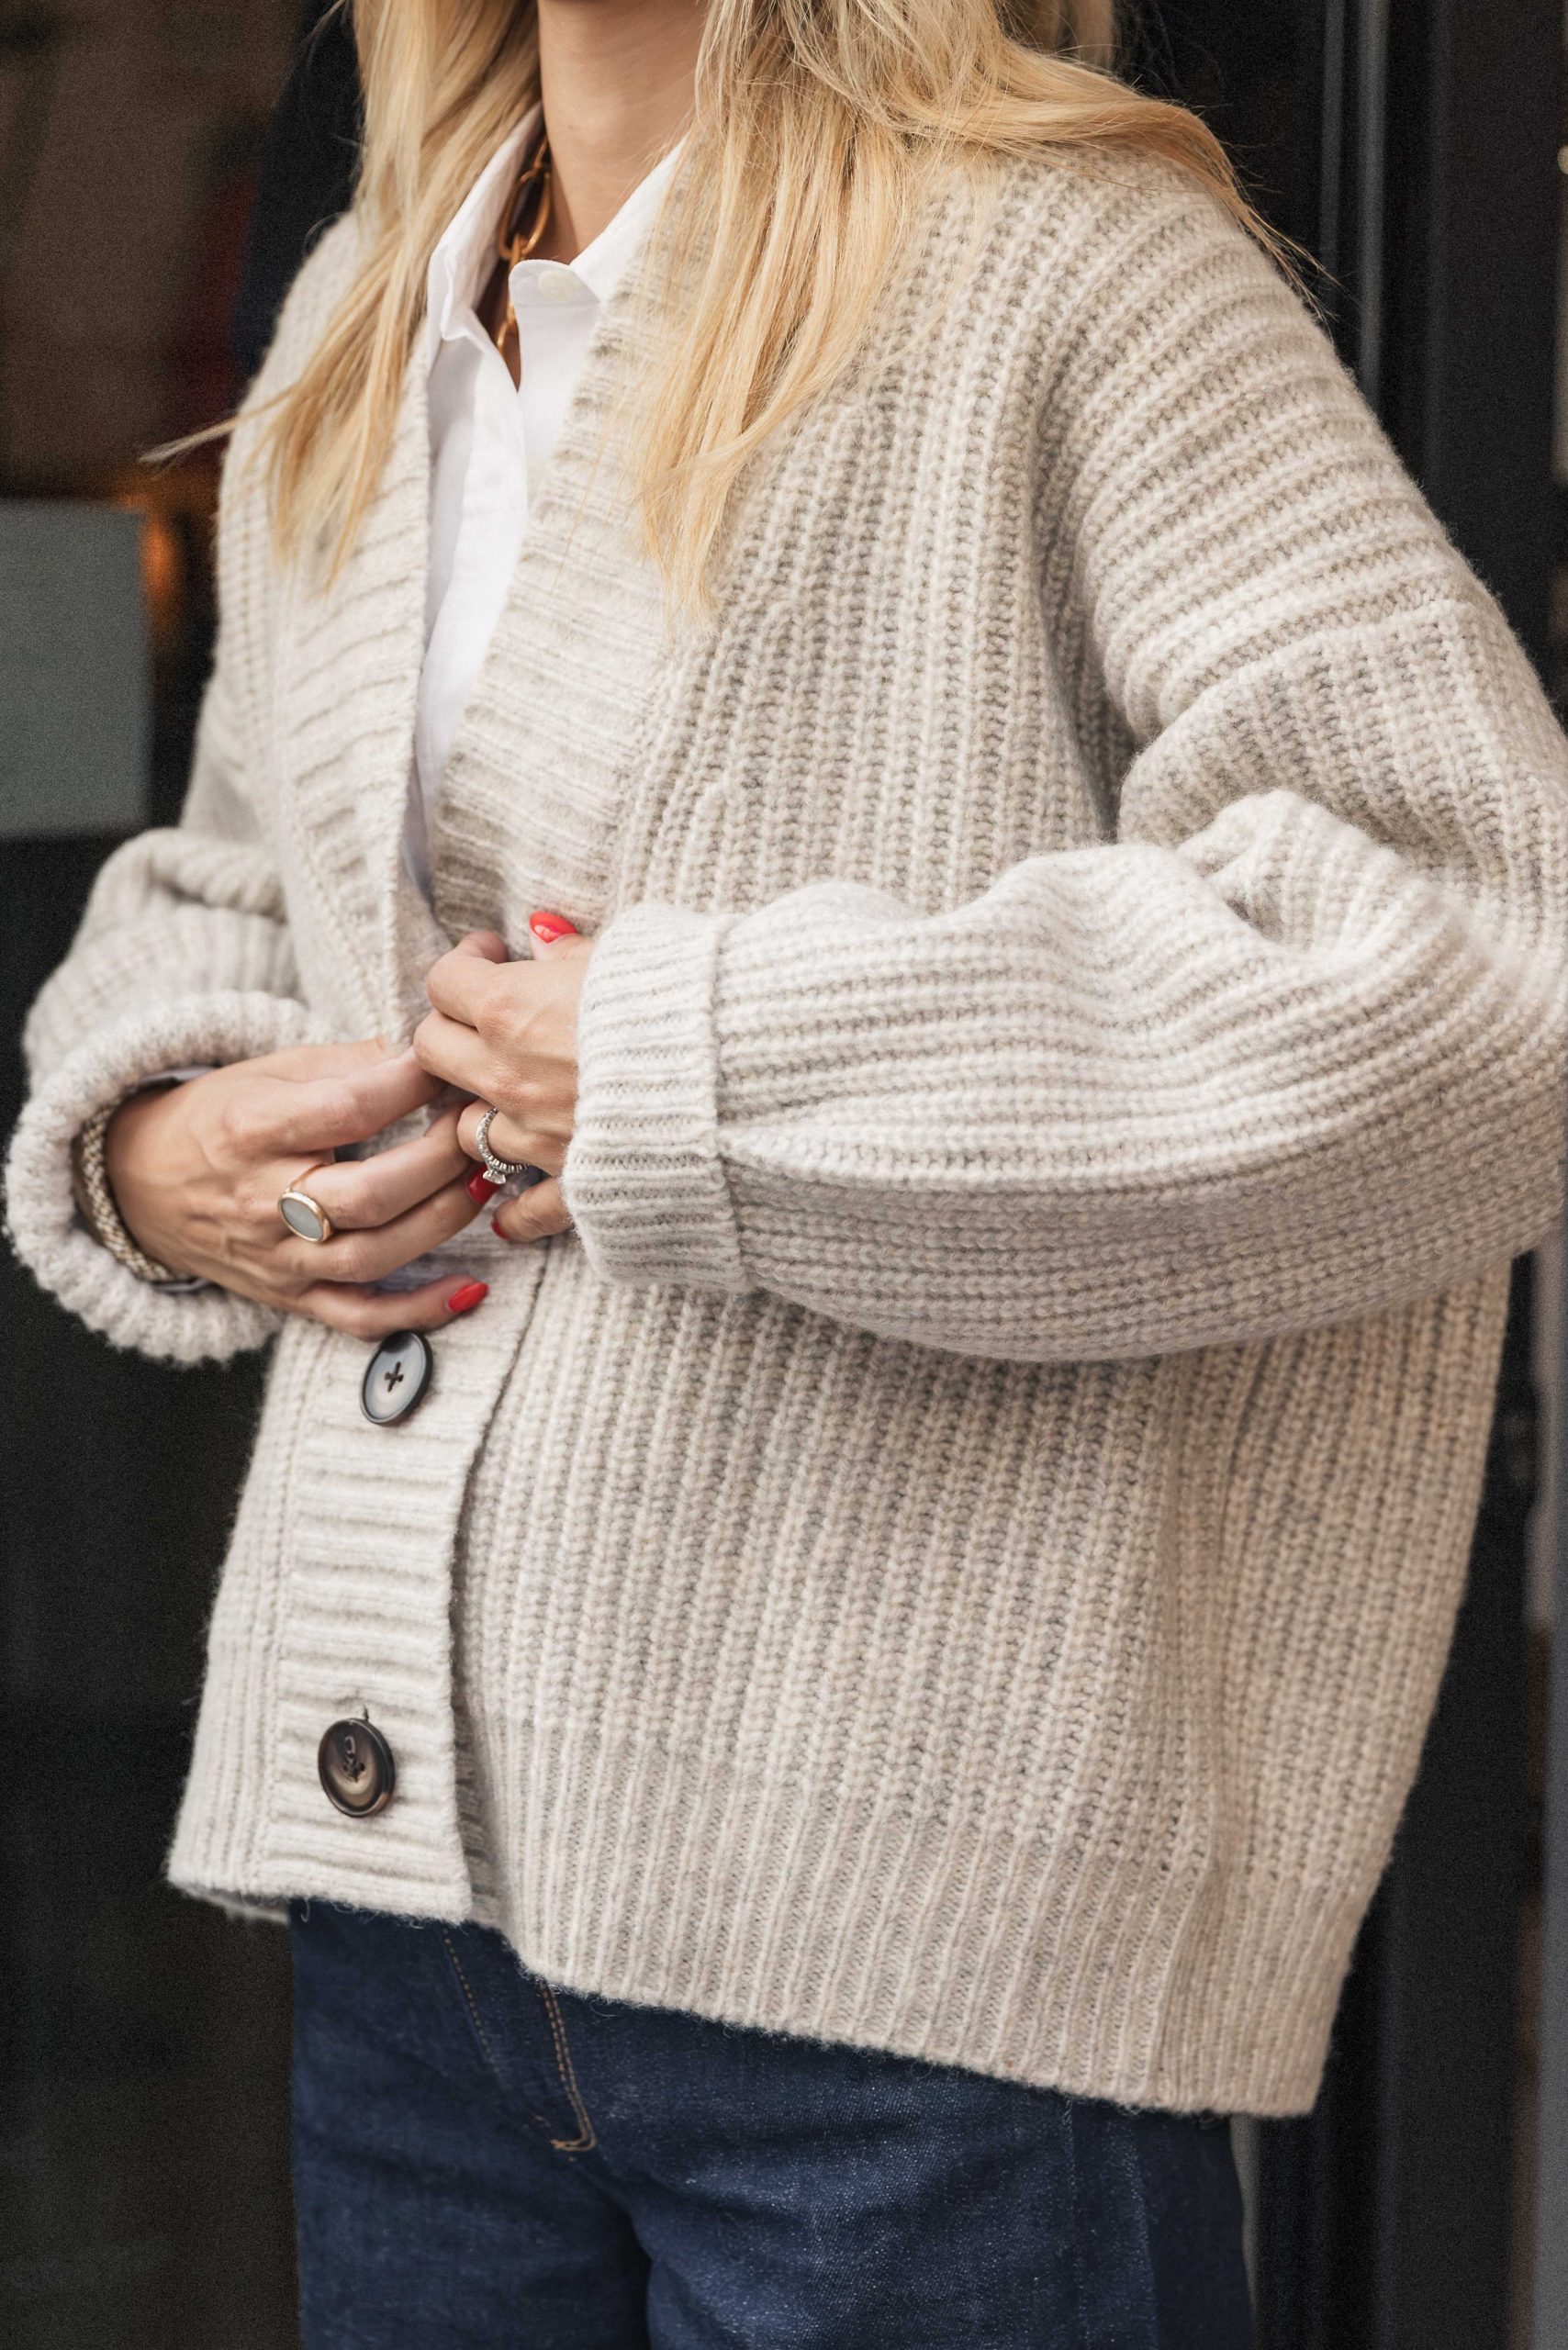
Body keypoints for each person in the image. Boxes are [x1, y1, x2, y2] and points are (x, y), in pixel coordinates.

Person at [8, 1, 1567, 2342]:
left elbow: (1469, 956)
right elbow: (248, 878)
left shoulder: (1065, 263)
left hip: (909, 1987)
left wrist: (704, 1065)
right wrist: (158, 1146)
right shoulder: (369, 298)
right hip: (411, 1946)